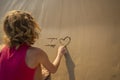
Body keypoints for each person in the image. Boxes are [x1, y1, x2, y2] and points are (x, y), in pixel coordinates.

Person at [0, 10, 66, 80]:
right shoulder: (36, 53)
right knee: (38, 67)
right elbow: (53, 69)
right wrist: (60, 54)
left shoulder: (2, 49)